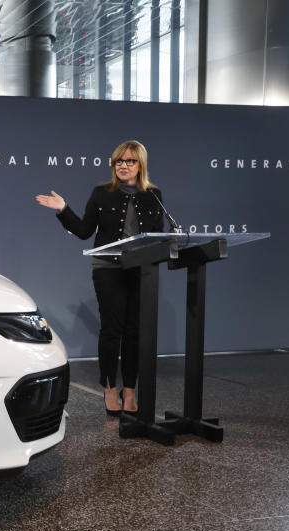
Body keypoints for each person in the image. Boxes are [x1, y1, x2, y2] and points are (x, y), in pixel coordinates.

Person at [35, 140, 166, 417]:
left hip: (141, 270)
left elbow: (158, 235)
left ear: (140, 164)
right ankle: (109, 388)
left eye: (129, 161)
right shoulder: (102, 193)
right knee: (112, 329)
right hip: (108, 269)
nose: (123, 165)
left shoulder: (153, 195)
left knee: (134, 332)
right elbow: (84, 231)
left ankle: (129, 390)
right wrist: (63, 210)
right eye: (119, 161)